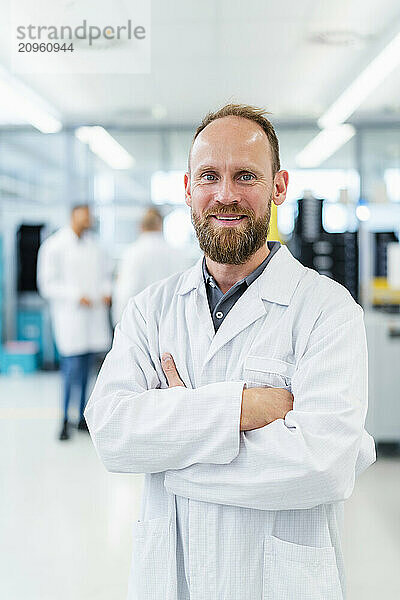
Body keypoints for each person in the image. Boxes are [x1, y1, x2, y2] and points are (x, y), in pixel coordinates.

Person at [84, 104, 376, 600]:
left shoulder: (328, 311)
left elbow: (322, 465)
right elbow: (112, 433)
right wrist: (242, 408)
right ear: (188, 188)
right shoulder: (151, 311)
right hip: (173, 579)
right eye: (208, 176)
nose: (225, 195)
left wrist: (172, 451)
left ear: (278, 187)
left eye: (245, 176)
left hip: (278, 582)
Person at [37, 204, 112, 441]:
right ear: (73, 216)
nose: (88, 220)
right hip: (71, 316)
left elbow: (105, 276)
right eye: (84, 216)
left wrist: (106, 291)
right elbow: (47, 284)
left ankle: (80, 417)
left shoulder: (95, 247)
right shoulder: (54, 245)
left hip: (93, 316)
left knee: (88, 371)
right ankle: (64, 420)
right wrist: (75, 294)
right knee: (70, 370)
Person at [112, 206, 187, 324]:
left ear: (140, 226)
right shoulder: (176, 254)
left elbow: (125, 292)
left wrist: (120, 323)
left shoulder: (133, 252)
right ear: (160, 225)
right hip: (172, 321)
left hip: (139, 322)